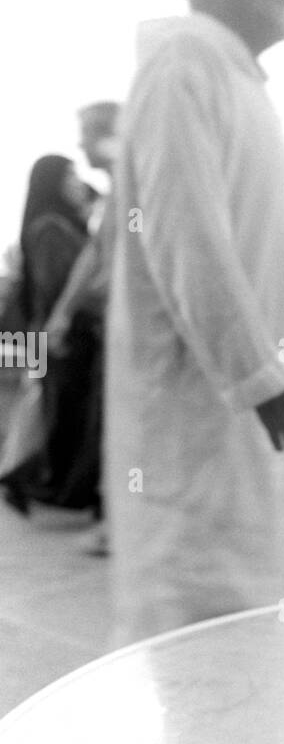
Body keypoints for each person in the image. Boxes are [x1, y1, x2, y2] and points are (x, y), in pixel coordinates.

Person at [106, 0, 284, 644]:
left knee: (263, 654)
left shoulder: (237, 81)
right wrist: (260, 377)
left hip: (247, 455)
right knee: (209, 669)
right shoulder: (184, 63)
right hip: (198, 456)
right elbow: (184, 231)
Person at [45, 102, 121, 543]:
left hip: (91, 334)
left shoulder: (124, 193)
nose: (82, 146)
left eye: (89, 134)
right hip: (65, 338)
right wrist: (62, 317)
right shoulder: (55, 227)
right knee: (71, 416)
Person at [0, 155, 91, 515]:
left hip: (42, 332)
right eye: (70, 176)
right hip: (52, 334)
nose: (77, 184)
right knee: (50, 408)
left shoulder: (48, 223)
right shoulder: (52, 227)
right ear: (54, 181)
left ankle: (21, 477)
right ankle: (28, 479)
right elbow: (55, 284)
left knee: (39, 406)